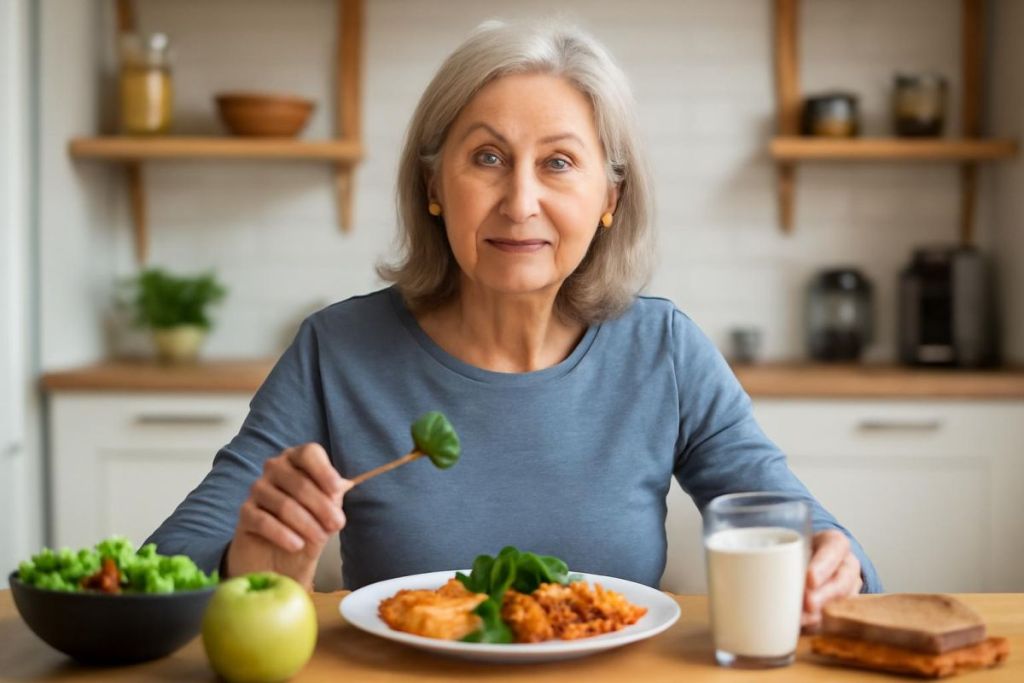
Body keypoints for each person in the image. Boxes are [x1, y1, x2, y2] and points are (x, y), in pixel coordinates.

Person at [147, 18, 881, 630]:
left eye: (558, 162)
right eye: (488, 157)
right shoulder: (336, 351)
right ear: (434, 185)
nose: (520, 200)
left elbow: (822, 541)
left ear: (610, 199)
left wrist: (832, 561)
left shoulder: (663, 349)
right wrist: (245, 565)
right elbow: (169, 562)